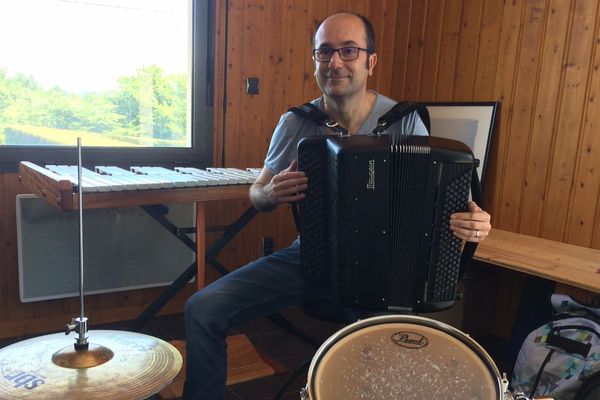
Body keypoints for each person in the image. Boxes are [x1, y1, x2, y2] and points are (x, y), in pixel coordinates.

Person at [183, 12, 492, 399]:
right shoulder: (296, 123)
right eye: (324, 52)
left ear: (369, 61)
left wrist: (475, 221)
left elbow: (442, 198)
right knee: (202, 308)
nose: (335, 62)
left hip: (384, 270)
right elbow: (257, 195)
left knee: (392, 348)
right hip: (309, 258)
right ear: (315, 60)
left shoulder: (405, 121)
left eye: (348, 51)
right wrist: (272, 192)